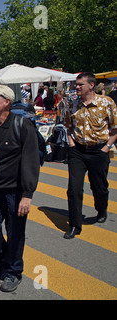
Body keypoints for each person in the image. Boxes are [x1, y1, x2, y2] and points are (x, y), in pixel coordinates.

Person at [0, 85, 40, 292]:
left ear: (7, 102)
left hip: (15, 191)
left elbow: (31, 161)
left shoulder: (23, 126)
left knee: (15, 233)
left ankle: (13, 271)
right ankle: (2, 256)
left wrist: (27, 195)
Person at [63, 72, 117, 239]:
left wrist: (107, 147)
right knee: (74, 188)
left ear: (91, 85)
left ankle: (101, 208)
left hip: (98, 150)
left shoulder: (106, 103)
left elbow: (114, 127)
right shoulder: (72, 104)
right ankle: (74, 225)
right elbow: (68, 126)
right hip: (78, 151)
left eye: (80, 84)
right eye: (76, 84)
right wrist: (71, 144)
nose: (77, 87)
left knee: (99, 186)